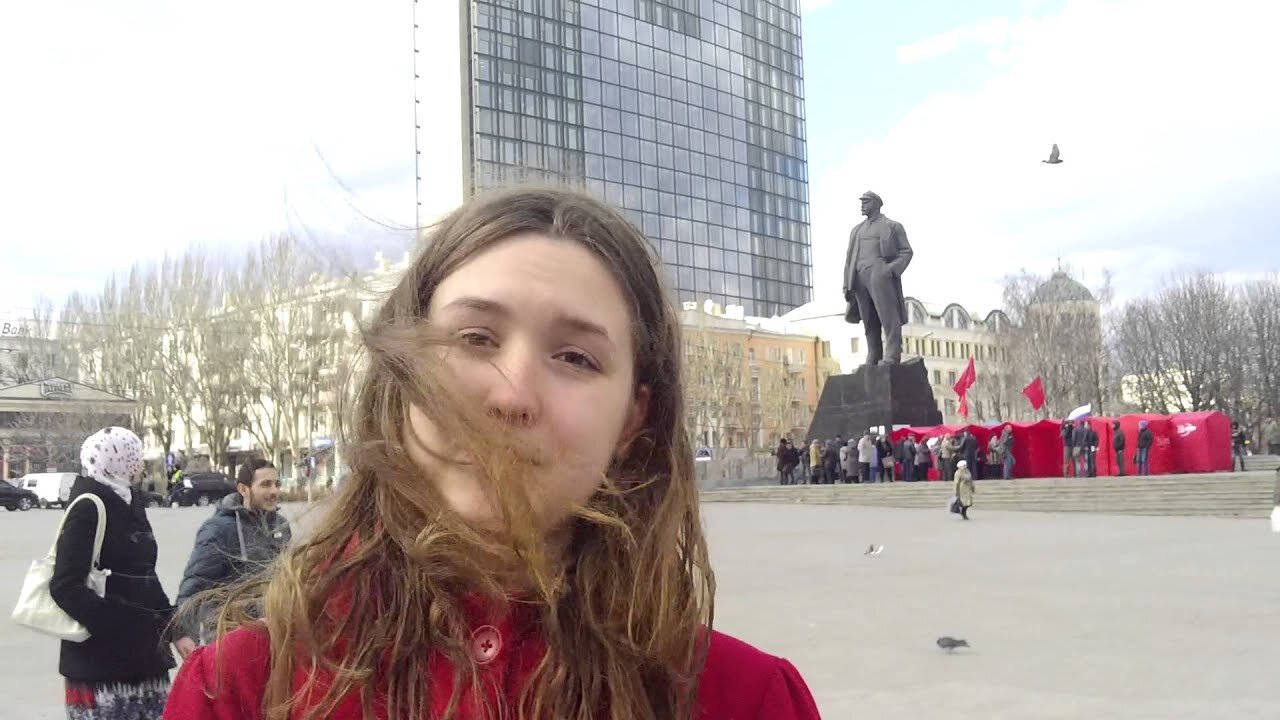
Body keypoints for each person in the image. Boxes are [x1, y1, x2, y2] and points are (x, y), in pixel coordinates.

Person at [161, 188, 821, 720]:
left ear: (633, 420)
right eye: (475, 338)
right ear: (402, 376)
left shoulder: (744, 699)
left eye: (574, 357)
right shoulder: (242, 691)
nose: (513, 396)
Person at [51, 427, 176, 718]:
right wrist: (124, 625)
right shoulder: (88, 506)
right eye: (135, 457)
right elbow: (65, 586)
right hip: (100, 667)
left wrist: (171, 624)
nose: (140, 464)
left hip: (145, 660)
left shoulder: (131, 501)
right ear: (115, 461)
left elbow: (145, 574)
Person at [173, 458, 291, 655]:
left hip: (274, 641)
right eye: (265, 484)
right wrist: (182, 632)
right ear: (244, 489)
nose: (274, 491)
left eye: (276, 484)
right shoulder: (219, 529)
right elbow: (195, 584)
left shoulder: (281, 526)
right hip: (230, 644)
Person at [841, 190, 914, 365]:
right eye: (862, 202)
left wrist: (889, 270)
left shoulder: (892, 226)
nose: (862, 205)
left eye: (866, 202)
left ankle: (892, 355)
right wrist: (847, 283)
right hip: (859, 278)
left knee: (888, 317)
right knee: (869, 320)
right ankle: (873, 355)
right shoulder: (856, 230)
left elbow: (907, 252)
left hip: (880, 274)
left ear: (877, 203)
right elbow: (849, 258)